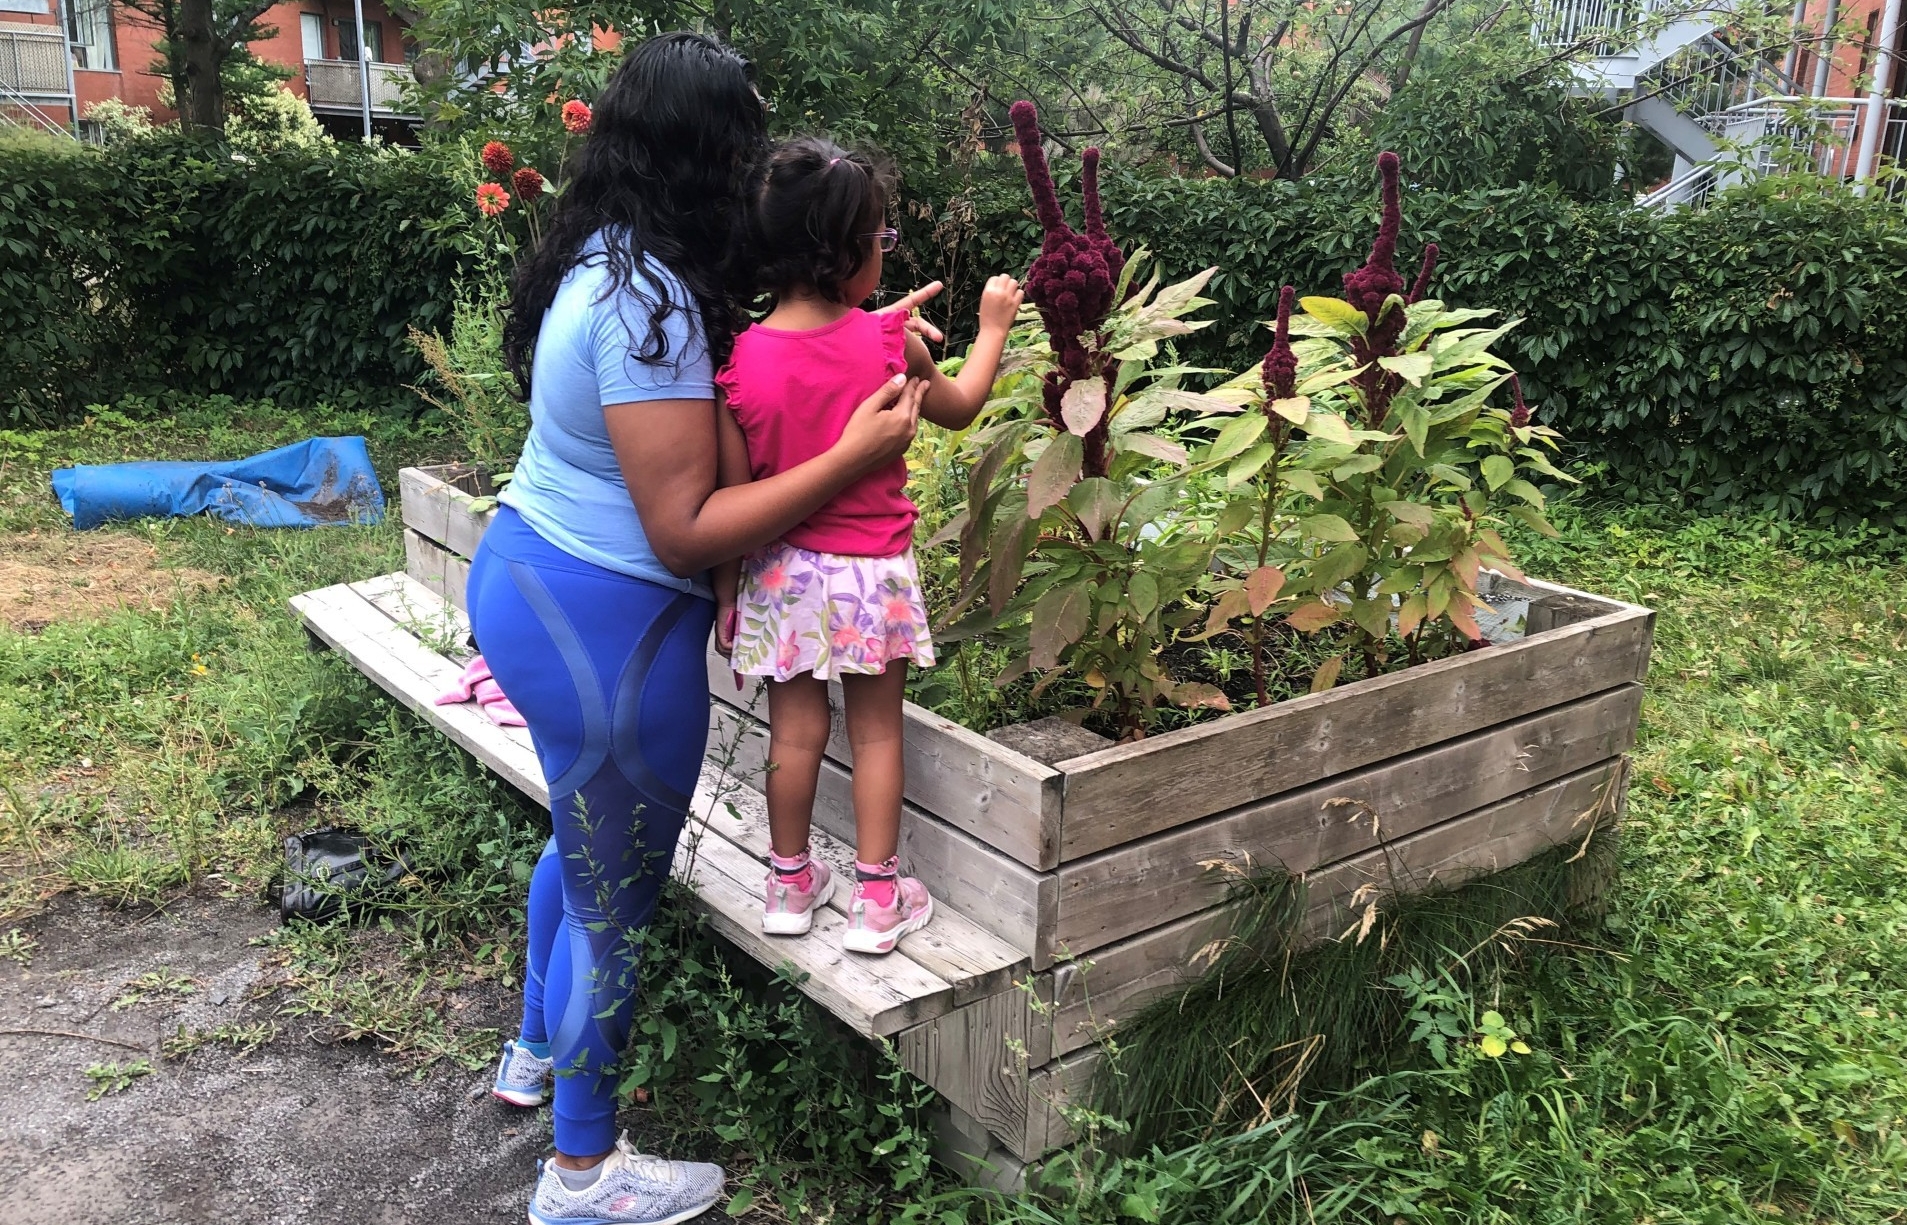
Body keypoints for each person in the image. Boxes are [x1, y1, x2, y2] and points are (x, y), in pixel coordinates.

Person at [467, 35, 940, 1225]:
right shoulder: (652, 309)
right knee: (614, 896)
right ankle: (581, 1175)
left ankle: (534, 1053)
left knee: (576, 845)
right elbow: (686, 529)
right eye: (745, 134)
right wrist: (855, 452)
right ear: (708, 147)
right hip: (607, 630)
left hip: (530, 578)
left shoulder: (607, 258)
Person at [711, 137, 1023, 954]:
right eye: (881, 240)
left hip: (777, 574)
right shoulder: (889, 342)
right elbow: (959, 406)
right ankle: (878, 900)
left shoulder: (736, 361)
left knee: (793, 734)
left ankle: (786, 883)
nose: (884, 256)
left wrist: (724, 597)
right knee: (877, 732)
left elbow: (734, 493)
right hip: (870, 575)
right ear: (849, 249)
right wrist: (992, 325)